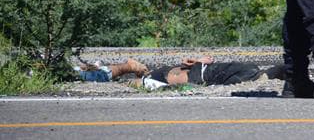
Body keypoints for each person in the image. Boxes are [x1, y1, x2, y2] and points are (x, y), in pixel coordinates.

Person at [75, 57, 265, 90]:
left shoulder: (249, 70)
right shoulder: (250, 71)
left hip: (177, 75)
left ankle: (128, 70)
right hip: (179, 76)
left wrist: (197, 63)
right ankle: (128, 69)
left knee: (135, 82)